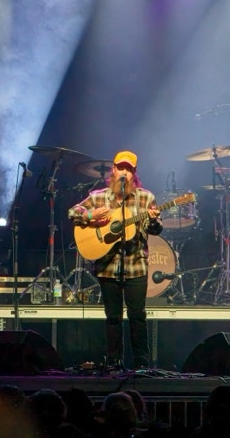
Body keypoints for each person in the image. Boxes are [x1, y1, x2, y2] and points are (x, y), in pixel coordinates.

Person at [68, 150, 161, 370]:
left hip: (136, 265)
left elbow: (155, 229)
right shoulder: (98, 197)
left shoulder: (145, 198)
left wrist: (153, 221)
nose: (124, 173)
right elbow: (72, 212)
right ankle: (113, 363)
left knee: (137, 316)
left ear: (134, 173)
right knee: (113, 317)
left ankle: (141, 365)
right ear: (114, 170)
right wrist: (90, 216)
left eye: (129, 169)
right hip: (108, 266)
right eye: (121, 168)